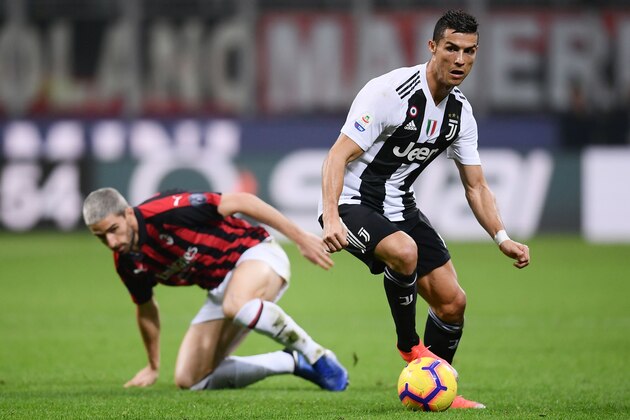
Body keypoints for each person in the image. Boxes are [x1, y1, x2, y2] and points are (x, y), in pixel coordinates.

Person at [319, 9, 530, 409]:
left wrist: (501, 237)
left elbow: (476, 185)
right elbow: (336, 157)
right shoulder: (389, 93)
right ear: (432, 47)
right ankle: (409, 348)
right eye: (451, 48)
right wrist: (330, 216)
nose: (461, 60)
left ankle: (434, 388)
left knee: (453, 302)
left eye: (470, 51)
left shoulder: (460, 113)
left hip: (401, 205)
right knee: (405, 252)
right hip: (350, 203)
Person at [83, 187, 348, 392]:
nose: (111, 241)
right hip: (221, 288)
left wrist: (300, 238)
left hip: (255, 254)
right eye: (101, 237)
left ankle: (316, 355)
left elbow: (244, 201)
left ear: (128, 213)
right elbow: (146, 308)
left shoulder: (167, 211)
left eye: (113, 230)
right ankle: (291, 362)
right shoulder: (127, 262)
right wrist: (153, 366)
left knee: (237, 305)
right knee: (191, 380)